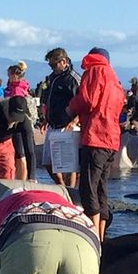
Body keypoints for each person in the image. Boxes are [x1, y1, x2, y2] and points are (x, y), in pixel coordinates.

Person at [67, 47, 124, 240]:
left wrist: (71, 108)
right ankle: (100, 238)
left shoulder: (94, 71)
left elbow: (88, 100)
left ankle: (91, 237)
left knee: (88, 188)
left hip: (96, 135)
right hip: (112, 139)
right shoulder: (114, 78)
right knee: (101, 188)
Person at [41, 48, 81, 189]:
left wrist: (74, 121)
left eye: (54, 65)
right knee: (48, 162)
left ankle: (70, 191)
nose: (52, 68)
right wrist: (46, 118)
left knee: (68, 164)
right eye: (50, 65)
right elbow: (50, 99)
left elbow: (83, 101)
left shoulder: (73, 79)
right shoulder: (52, 77)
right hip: (53, 123)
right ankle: (61, 186)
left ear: (63, 62)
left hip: (67, 124)